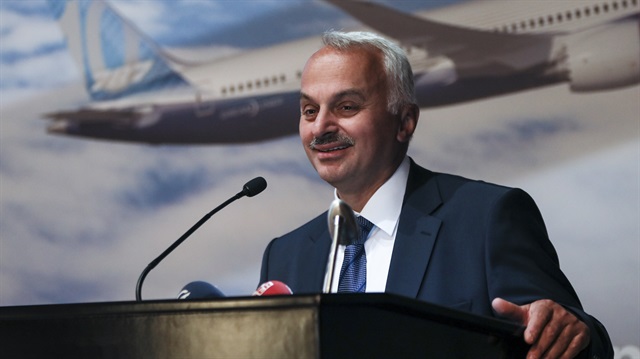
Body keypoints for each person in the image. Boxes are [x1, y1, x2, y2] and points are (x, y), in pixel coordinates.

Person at [259, 31, 612, 359]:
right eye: (309, 111)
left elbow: (573, 335)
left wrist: (574, 333)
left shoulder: (487, 218)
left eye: (346, 107)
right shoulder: (285, 256)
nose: (321, 127)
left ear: (405, 121)